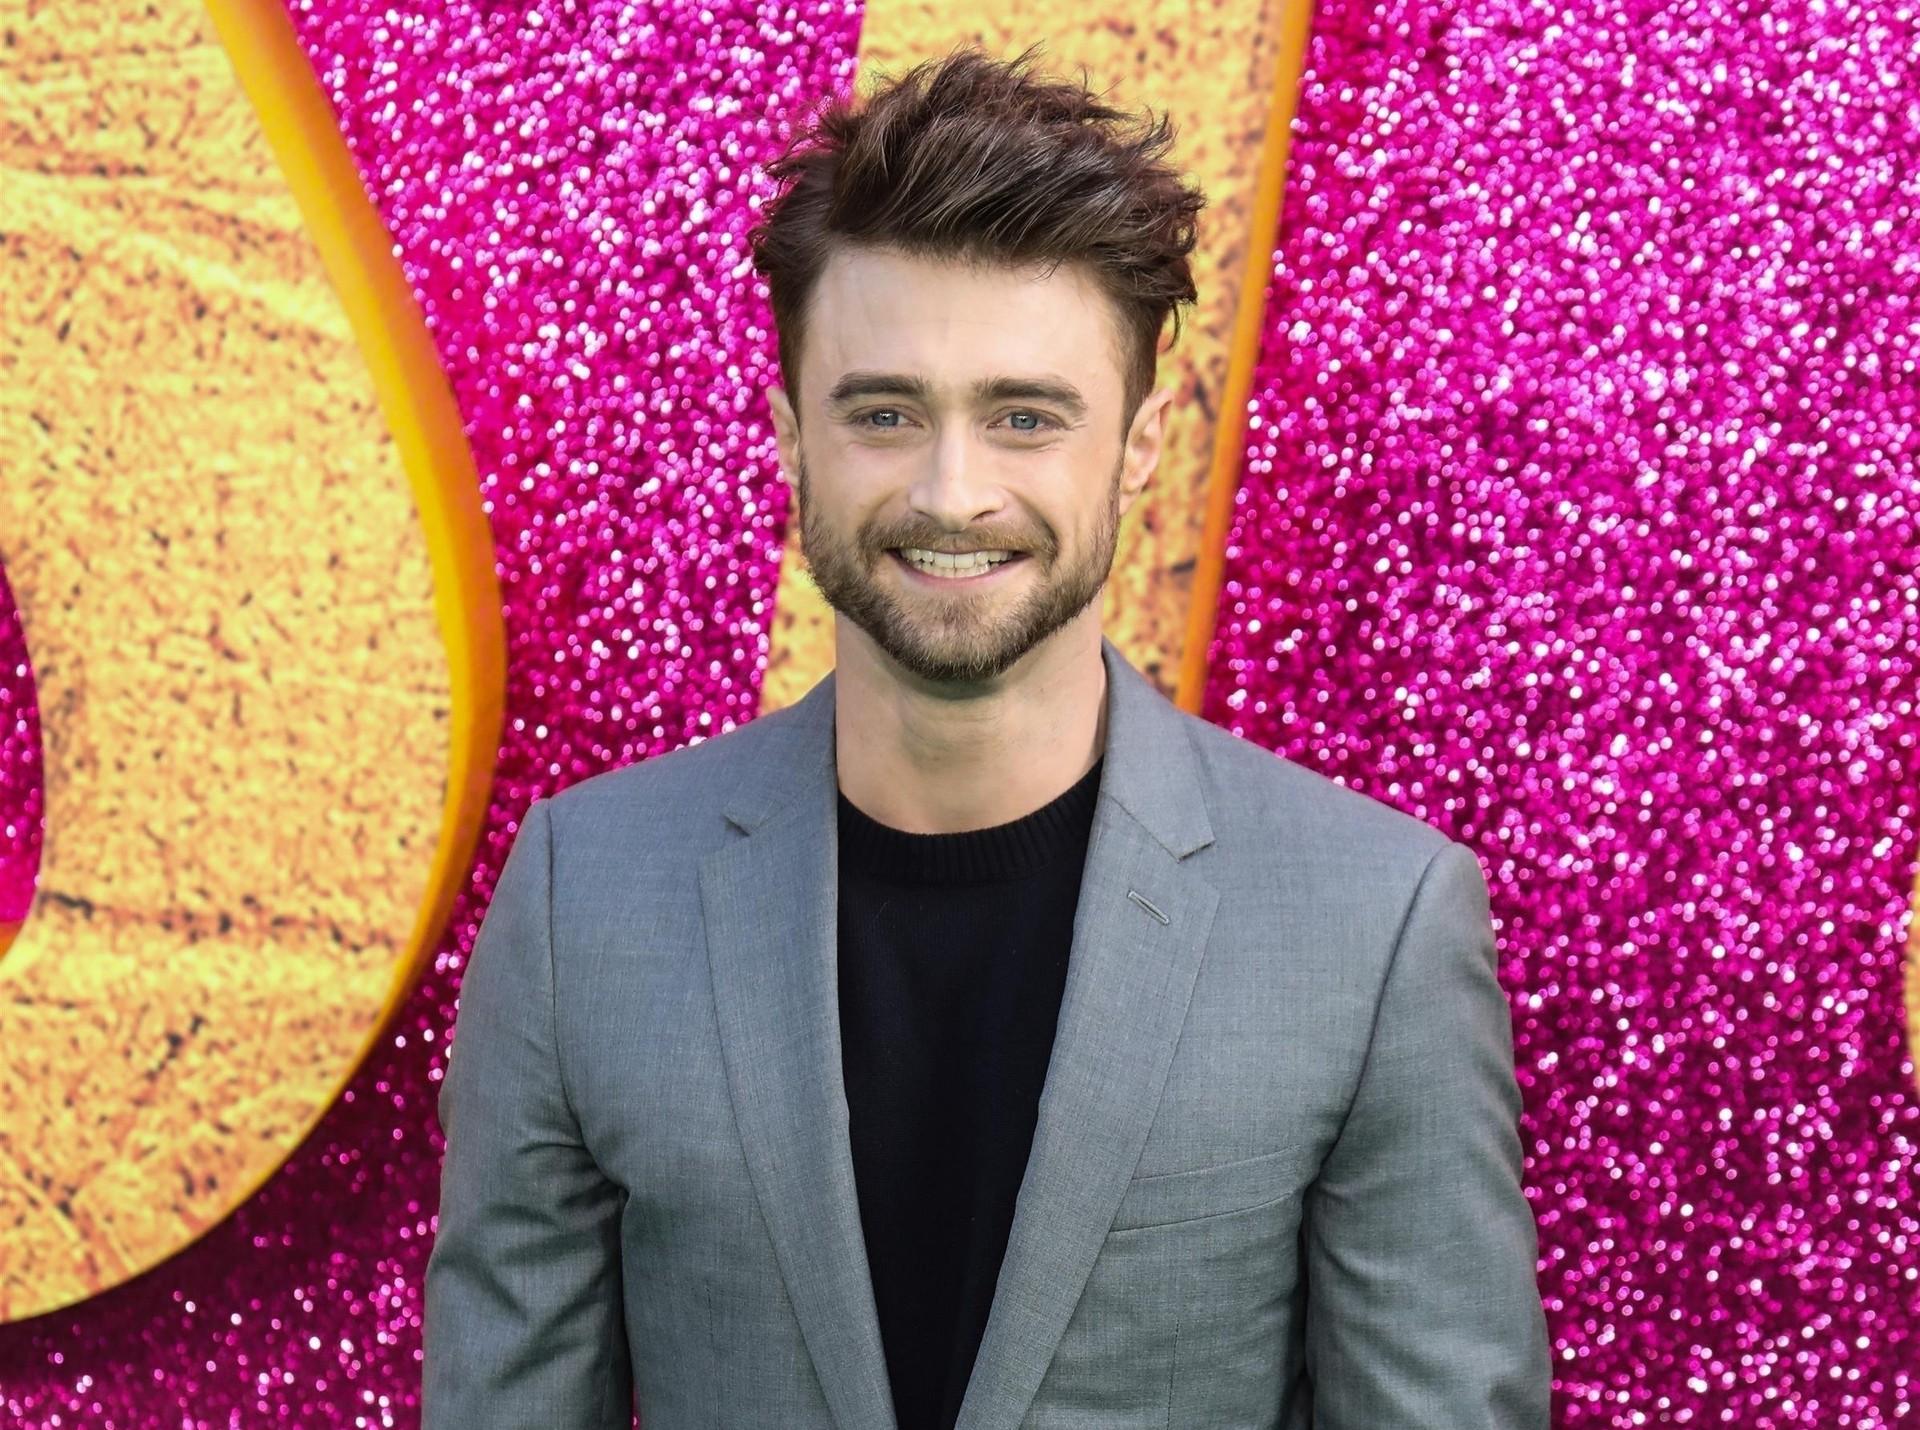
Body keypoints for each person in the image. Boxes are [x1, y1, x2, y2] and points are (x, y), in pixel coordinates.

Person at [421, 42, 1551, 1430]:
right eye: (884, 413)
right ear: (791, 438)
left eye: (1025, 418)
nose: (953, 492)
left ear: (1140, 445)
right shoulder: (579, 898)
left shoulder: (1374, 924)